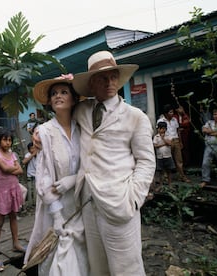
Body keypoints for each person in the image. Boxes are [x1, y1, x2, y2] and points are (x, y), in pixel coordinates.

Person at [66, 51, 154, 275]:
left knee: (127, 268)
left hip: (120, 203)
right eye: (102, 77)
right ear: (91, 83)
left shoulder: (135, 116)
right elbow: (59, 110)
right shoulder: (82, 111)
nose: (109, 82)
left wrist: (133, 198)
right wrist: (65, 85)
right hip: (88, 201)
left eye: (113, 76)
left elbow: (146, 161)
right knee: (98, 266)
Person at [25, 75, 89, 275]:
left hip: (82, 203)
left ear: (74, 98)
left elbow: (91, 163)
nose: (58, 96)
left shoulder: (84, 128)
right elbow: (43, 177)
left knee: (82, 257)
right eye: (54, 94)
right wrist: (57, 213)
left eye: (64, 92)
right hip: (56, 207)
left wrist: (74, 179)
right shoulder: (44, 131)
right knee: (58, 260)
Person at [0, 128, 25, 272]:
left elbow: (20, 170)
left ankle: (16, 243)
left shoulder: (12, 154)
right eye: (5, 139)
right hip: (3, 191)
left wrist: (13, 168)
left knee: (14, 217)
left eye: (9, 140)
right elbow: (4, 169)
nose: (7, 142)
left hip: (14, 189)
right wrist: (13, 167)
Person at [157, 104, 191, 183]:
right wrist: (164, 141)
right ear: (166, 113)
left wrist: (180, 141)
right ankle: (166, 177)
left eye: (172, 112)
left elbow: (178, 131)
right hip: (166, 141)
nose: (172, 114)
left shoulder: (174, 120)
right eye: (170, 112)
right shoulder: (161, 121)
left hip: (176, 141)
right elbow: (160, 133)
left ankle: (182, 176)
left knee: (179, 160)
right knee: (167, 159)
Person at [153, 121, 176, 189]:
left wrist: (163, 138)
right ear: (158, 129)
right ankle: (160, 185)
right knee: (161, 172)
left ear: (166, 129)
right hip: (160, 157)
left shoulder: (168, 136)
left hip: (168, 156)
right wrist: (163, 144)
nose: (163, 130)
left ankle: (170, 184)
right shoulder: (156, 137)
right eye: (161, 129)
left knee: (169, 171)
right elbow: (155, 145)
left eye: (164, 128)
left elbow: (170, 143)